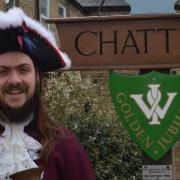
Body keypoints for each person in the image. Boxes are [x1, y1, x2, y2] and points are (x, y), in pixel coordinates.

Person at [0, 7, 96, 180]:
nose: (14, 80)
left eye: (23, 69)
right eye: (2, 71)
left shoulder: (64, 146)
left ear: (37, 77)